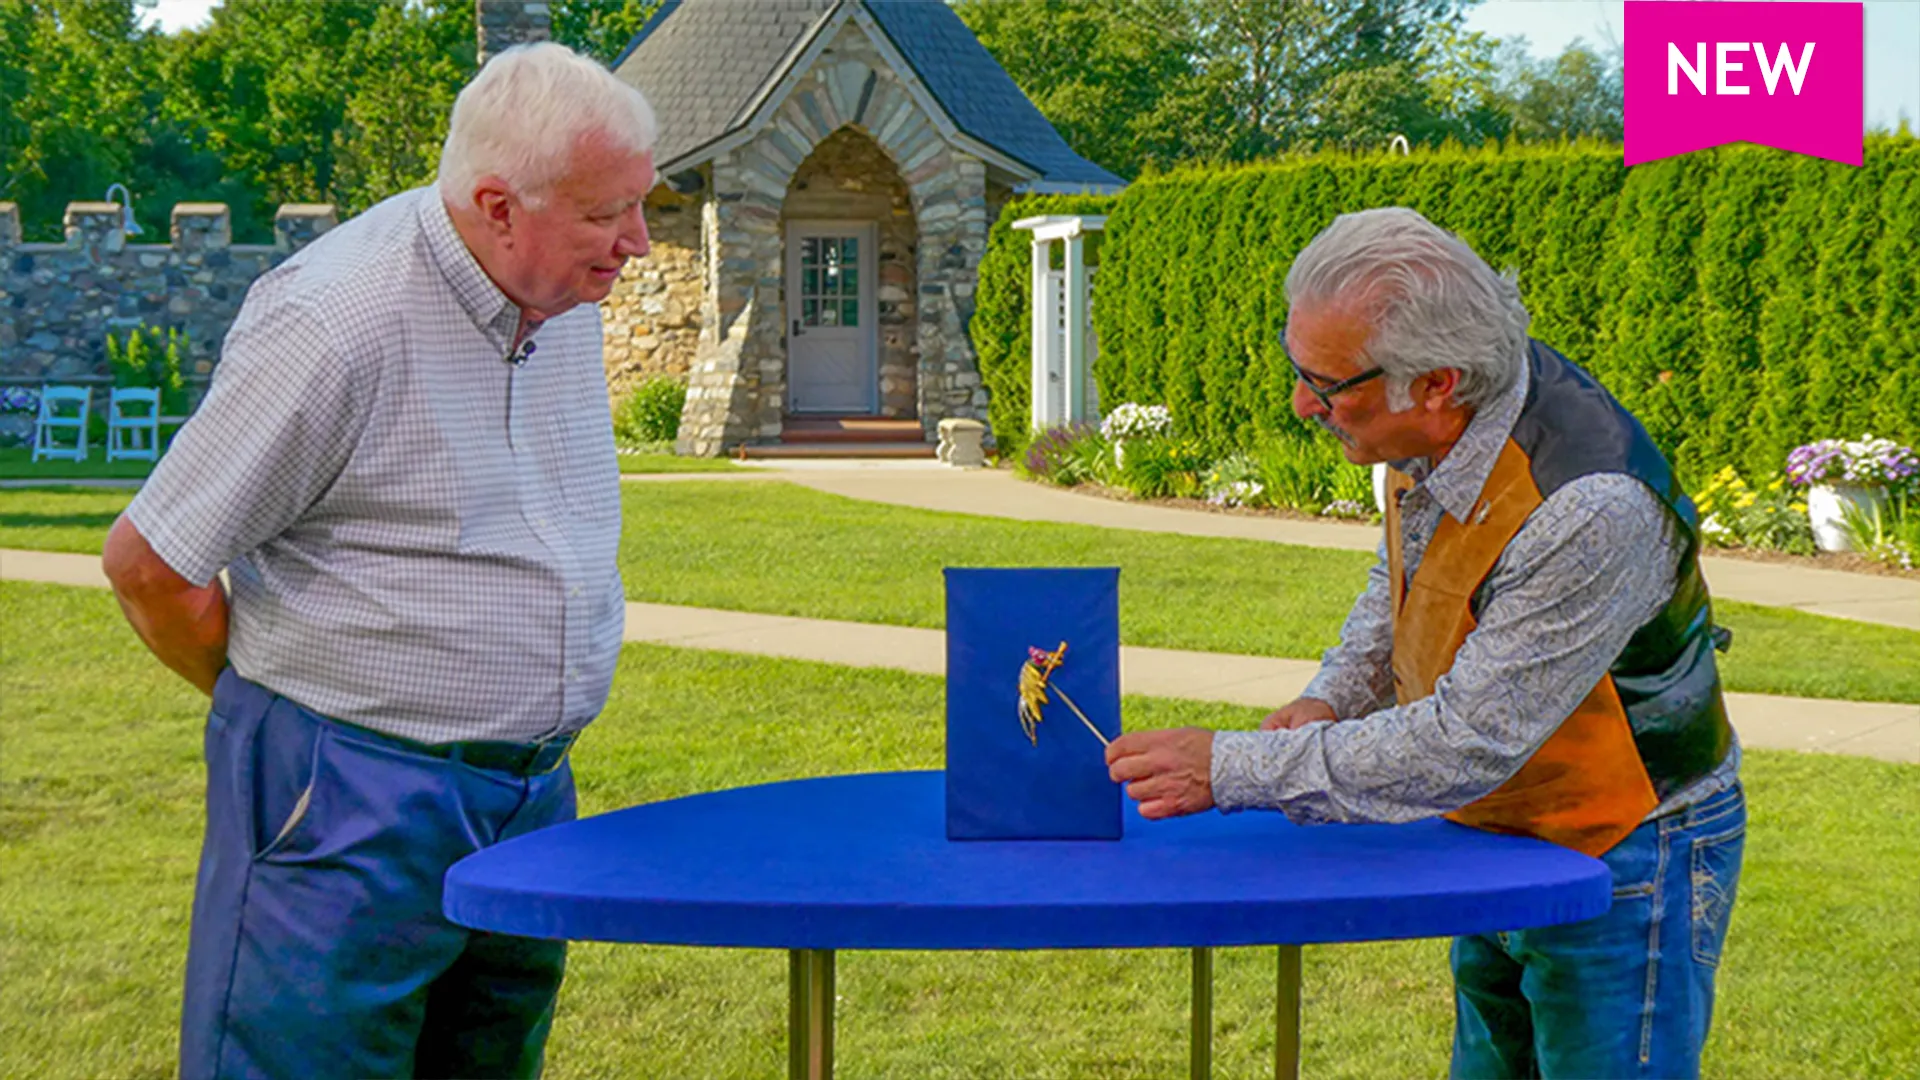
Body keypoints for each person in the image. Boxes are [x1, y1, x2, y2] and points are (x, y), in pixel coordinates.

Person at [101, 43, 655, 1079]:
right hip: (347, 800)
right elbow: (150, 564)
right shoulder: (335, 318)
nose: (638, 242)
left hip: (529, 798)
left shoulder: (562, 291)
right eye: (606, 214)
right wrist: (290, 723)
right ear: (499, 205)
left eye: (640, 203)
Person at [1105, 207, 1744, 1080]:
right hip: (1498, 824)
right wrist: (1334, 696)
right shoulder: (1437, 423)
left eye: (1327, 385)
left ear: (1438, 383)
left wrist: (1231, 768)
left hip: (1629, 847)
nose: (1304, 404)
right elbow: (1403, 584)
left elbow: (1464, 741)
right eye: (1300, 369)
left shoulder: (1590, 507)